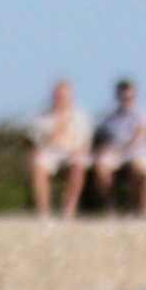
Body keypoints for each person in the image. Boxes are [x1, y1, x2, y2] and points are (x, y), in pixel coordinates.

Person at [89, 79, 146, 215]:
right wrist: (104, 150)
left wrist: (121, 150)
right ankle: (112, 205)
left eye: (129, 97)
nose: (126, 100)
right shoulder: (110, 118)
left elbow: (140, 136)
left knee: (137, 168)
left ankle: (135, 205)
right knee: (101, 165)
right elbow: (103, 138)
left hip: (138, 152)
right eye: (123, 97)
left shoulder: (143, 113)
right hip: (116, 153)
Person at [29, 80, 91, 219]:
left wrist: (78, 151)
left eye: (63, 96)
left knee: (78, 165)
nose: (60, 99)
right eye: (57, 96)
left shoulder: (80, 116)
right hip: (50, 151)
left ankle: (68, 212)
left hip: (73, 151)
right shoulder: (42, 118)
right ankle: (43, 212)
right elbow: (36, 142)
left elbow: (86, 142)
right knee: (38, 164)